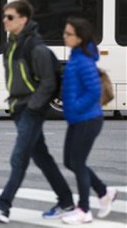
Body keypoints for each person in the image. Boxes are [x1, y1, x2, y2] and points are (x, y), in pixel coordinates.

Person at [0, 1, 74, 223]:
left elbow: (49, 83)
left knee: (19, 158)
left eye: (10, 17)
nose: (4, 20)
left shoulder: (36, 48)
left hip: (30, 110)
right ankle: (67, 201)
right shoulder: (12, 45)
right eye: (4, 16)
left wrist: (32, 106)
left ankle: (3, 207)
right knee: (42, 158)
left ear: (23, 19)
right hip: (20, 108)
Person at [59, 17, 118, 225]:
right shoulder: (77, 56)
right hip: (79, 119)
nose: (64, 37)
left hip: (88, 118)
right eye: (65, 32)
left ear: (80, 37)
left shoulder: (83, 60)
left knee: (77, 162)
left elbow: (94, 91)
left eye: (68, 34)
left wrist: (74, 107)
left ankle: (84, 209)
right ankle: (104, 191)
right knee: (70, 161)